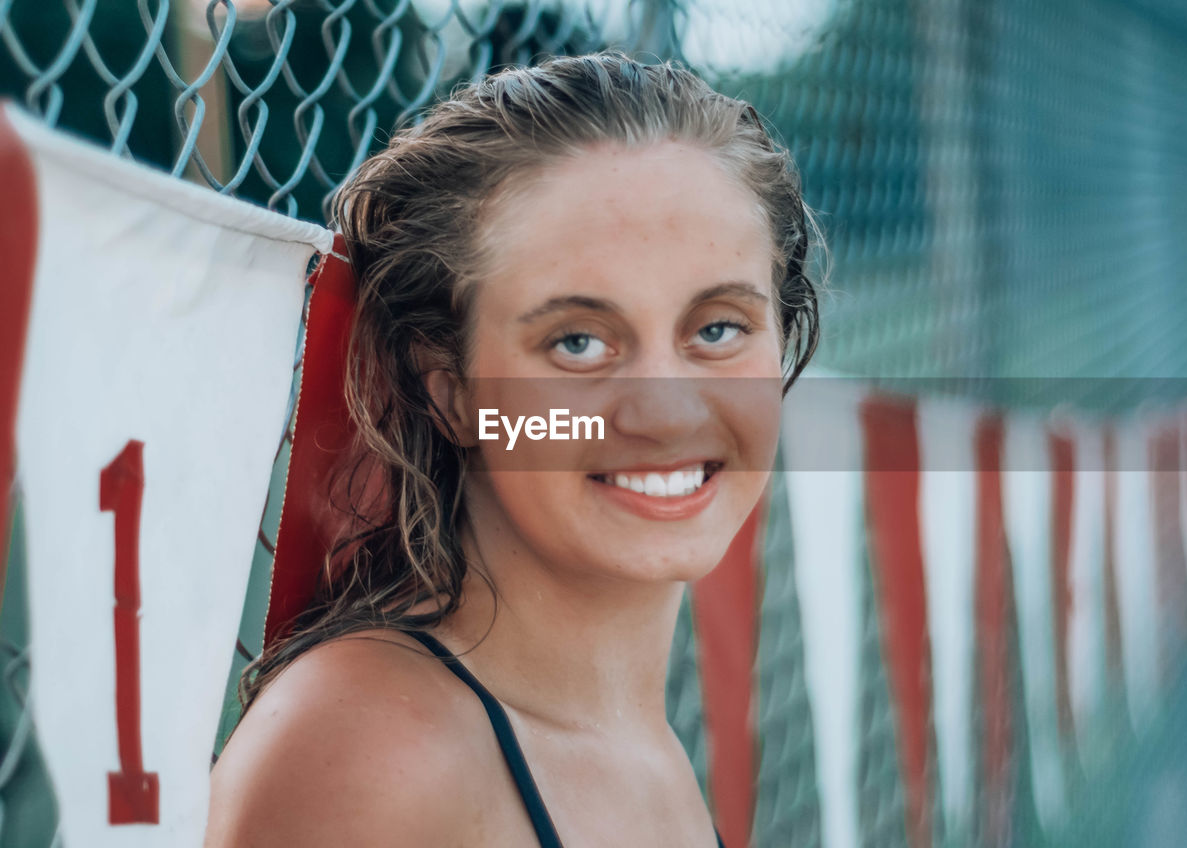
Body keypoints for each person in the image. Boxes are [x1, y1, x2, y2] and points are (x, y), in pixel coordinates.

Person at [204, 50, 820, 847]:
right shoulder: (378, 751)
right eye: (577, 342)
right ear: (450, 390)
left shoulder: (627, 738)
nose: (666, 413)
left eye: (717, 329)